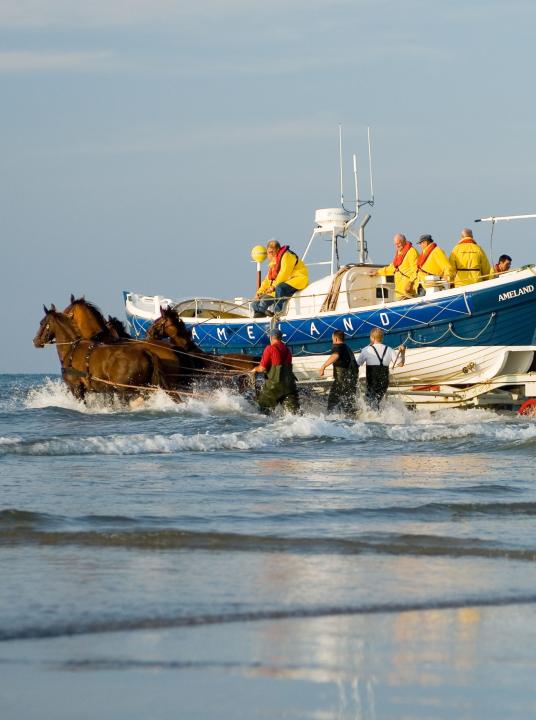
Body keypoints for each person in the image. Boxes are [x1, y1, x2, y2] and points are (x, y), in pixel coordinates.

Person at [251, 239, 309, 318]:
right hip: (279, 286)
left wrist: (273, 286)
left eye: (272, 252)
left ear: (278, 250)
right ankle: (262, 317)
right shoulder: (273, 263)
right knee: (254, 303)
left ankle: (277, 313)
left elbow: (284, 273)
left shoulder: (287, 256)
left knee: (279, 287)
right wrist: (259, 293)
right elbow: (267, 280)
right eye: (269, 252)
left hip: (297, 279)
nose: (270, 254)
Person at [251, 329, 300, 413]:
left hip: (274, 386)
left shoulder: (269, 348)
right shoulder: (287, 350)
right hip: (289, 386)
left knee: (263, 411)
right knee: (294, 414)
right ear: (280, 338)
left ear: (271, 337)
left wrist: (255, 369)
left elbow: (262, 368)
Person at [356, 328, 404, 410]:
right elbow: (401, 364)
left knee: (370, 403)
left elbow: (356, 365)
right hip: (384, 381)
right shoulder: (389, 349)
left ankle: (373, 419)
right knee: (377, 401)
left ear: (372, 338)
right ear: (382, 338)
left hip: (372, 381)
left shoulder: (366, 350)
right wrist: (403, 352)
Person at [318, 330, 358, 416]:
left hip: (341, 380)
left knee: (333, 400)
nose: (332, 341)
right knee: (349, 402)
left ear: (336, 339)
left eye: (332, 339)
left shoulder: (337, 346)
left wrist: (323, 366)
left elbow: (335, 355)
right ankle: (352, 420)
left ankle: (330, 420)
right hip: (351, 380)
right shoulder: (348, 348)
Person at [371, 233, 418, 300]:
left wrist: (410, 283)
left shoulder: (412, 252)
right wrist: (377, 272)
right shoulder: (399, 253)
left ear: (404, 241)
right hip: (399, 292)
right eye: (396, 244)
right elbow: (392, 268)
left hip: (408, 291)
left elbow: (416, 269)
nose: (397, 246)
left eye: (399, 243)